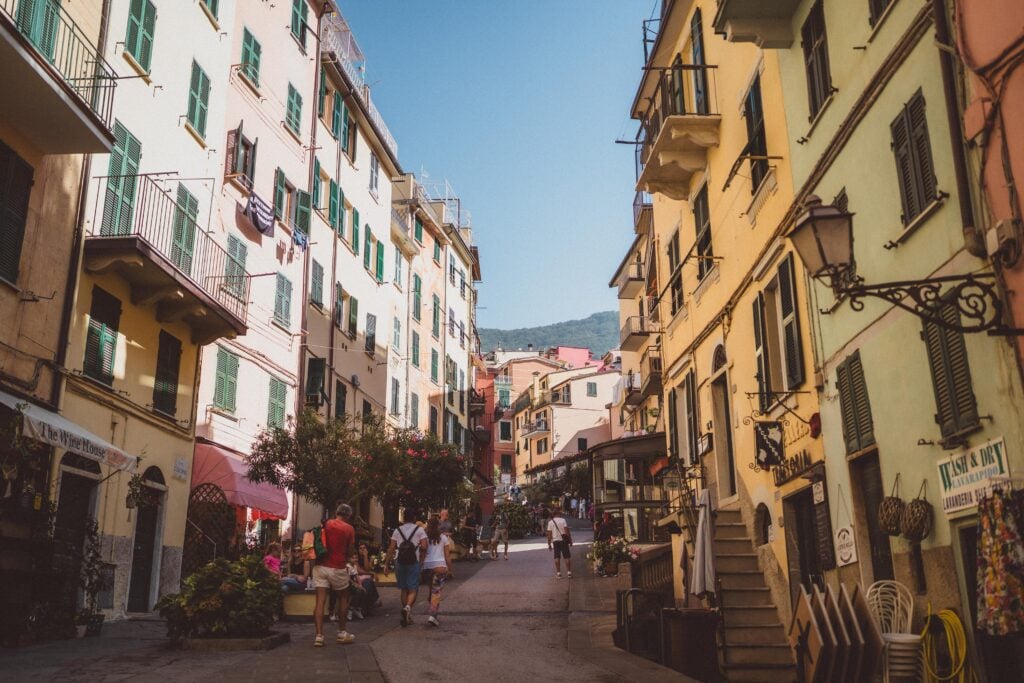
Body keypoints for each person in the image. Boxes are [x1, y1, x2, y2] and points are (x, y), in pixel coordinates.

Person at [313, 503, 357, 647]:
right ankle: (342, 633)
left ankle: (319, 636)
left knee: (320, 601)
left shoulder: (327, 523)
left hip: (320, 566)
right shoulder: (349, 529)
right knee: (344, 597)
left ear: (336, 512)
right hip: (337, 567)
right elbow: (350, 551)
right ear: (348, 515)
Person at [385, 508, 428, 626]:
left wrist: (386, 564)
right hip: (413, 562)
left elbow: (391, 548)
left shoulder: (397, 531)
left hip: (400, 561)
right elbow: (424, 547)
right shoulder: (420, 530)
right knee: (413, 589)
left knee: (404, 589)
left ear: (404, 518)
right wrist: (422, 562)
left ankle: (406, 615)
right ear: (414, 518)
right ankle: (408, 608)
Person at [422, 515, 454, 626]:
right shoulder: (443, 538)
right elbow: (447, 556)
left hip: (426, 567)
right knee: (436, 592)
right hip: (440, 567)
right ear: (438, 525)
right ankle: (432, 615)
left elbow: (422, 552)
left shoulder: (424, 537)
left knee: (432, 591)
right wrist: (450, 569)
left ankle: (433, 613)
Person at [547, 509, 573, 579]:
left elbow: (549, 535)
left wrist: (549, 544)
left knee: (557, 557)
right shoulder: (563, 520)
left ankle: (558, 573)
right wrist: (570, 540)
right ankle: (569, 572)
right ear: (559, 513)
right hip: (563, 540)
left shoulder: (550, 522)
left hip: (555, 541)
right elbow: (567, 531)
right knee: (567, 557)